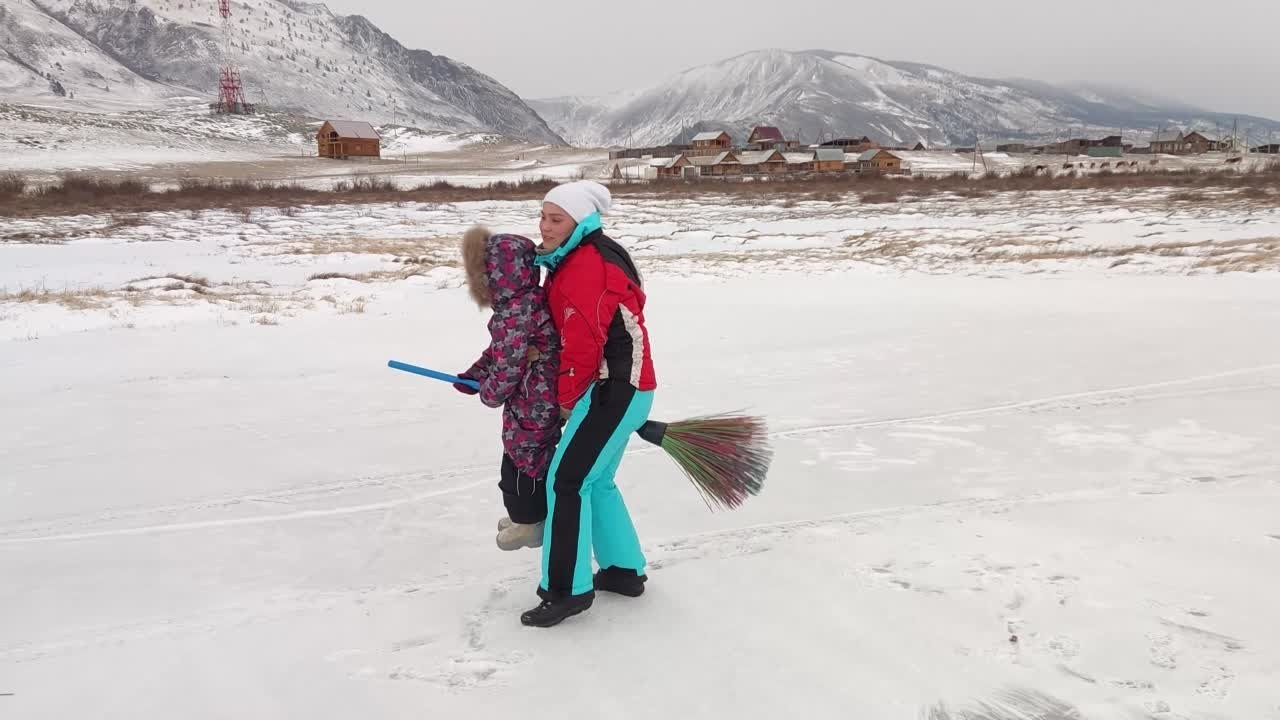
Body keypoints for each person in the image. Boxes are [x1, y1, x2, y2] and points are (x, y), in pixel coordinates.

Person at [519, 180, 658, 628]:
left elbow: (582, 344)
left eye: (555, 218)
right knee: (596, 482)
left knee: (567, 482)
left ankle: (566, 591)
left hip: (612, 390)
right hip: (628, 389)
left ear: (581, 221)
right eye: (542, 215)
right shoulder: (583, 256)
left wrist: (564, 401)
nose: (545, 226)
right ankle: (622, 571)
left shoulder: (585, 265)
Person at [454, 226, 562, 551]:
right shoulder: (524, 303)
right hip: (533, 394)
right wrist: (475, 373)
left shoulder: (514, 313)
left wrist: (489, 392)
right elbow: (500, 352)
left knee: (523, 457)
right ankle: (525, 517)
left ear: (496, 275)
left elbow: (509, 365)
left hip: (535, 397)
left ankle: (531, 523)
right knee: (523, 452)